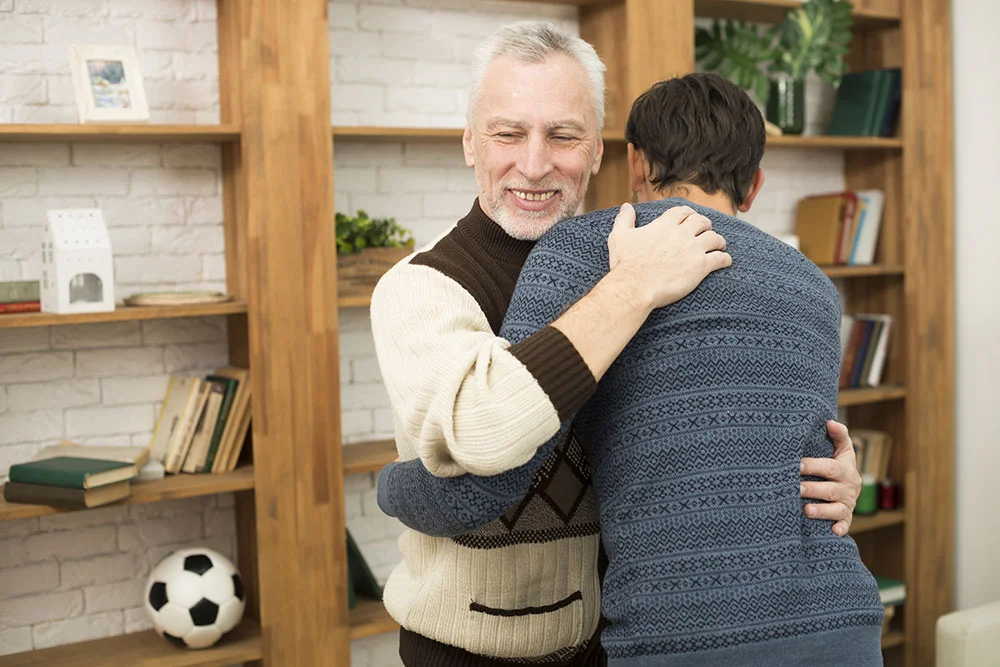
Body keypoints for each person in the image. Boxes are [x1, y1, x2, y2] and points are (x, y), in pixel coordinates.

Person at [371, 22, 863, 666]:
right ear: (470, 142)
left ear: (608, 154)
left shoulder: (614, 254)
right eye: (508, 132)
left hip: (610, 643)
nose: (535, 162)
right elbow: (488, 435)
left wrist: (822, 479)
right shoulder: (423, 288)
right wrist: (631, 288)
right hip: (475, 652)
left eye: (564, 135)